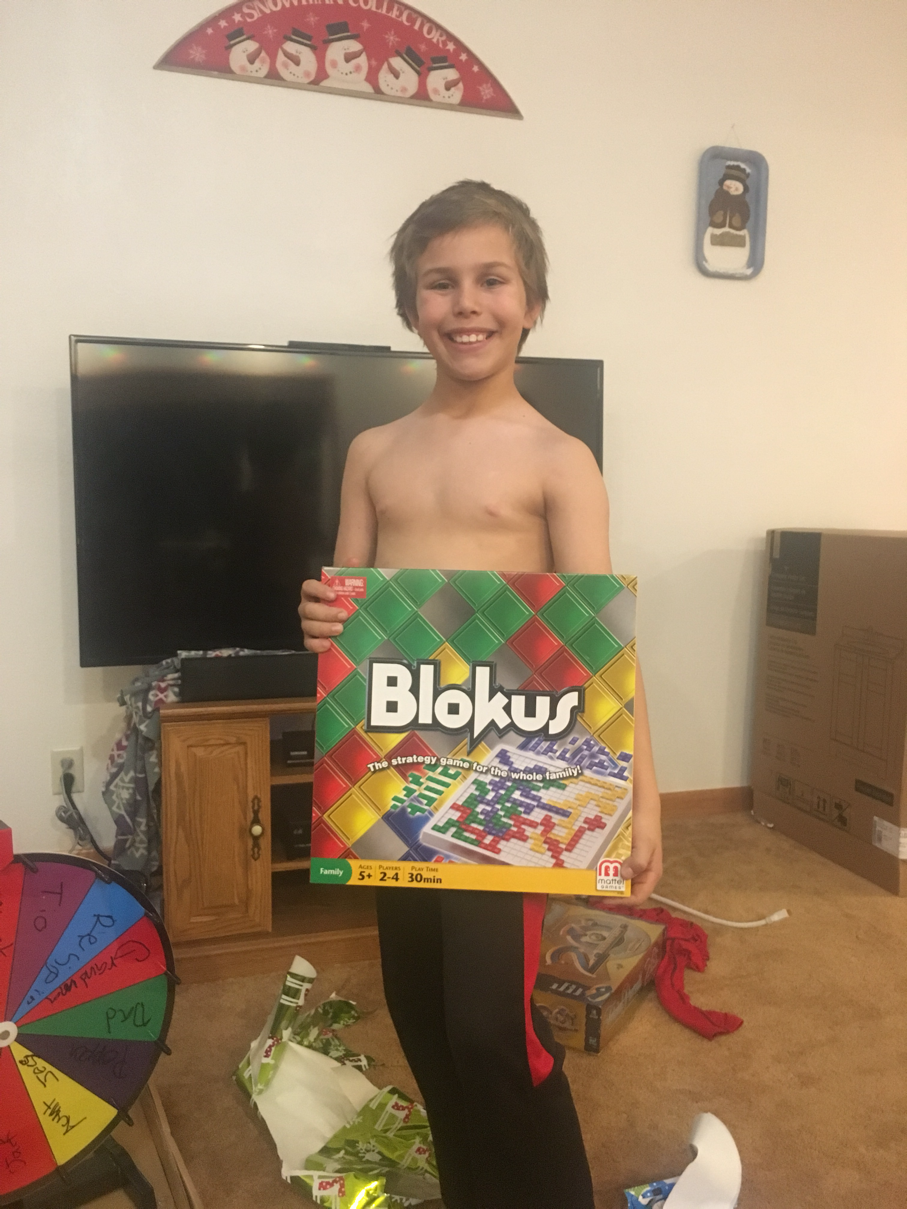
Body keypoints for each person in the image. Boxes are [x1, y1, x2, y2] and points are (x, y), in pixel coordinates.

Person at [299, 180, 662, 1209]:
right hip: (398, 775)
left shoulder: (559, 460)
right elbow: (348, 617)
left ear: (531, 301)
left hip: (515, 782)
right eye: (440, 283)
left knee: (492, 1029)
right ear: (409, 306)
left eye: (491, 280)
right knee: (419, 1012)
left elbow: (601, 648)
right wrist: (319, 617)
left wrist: (641, 797)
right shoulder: (373, 453)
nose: (467, 303)